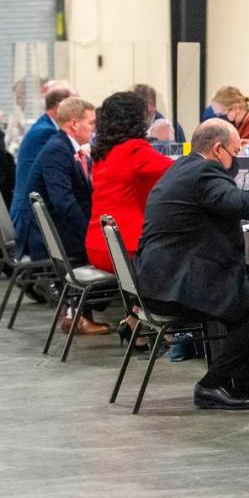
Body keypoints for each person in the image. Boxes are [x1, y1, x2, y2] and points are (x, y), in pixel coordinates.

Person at [135, 119, 249, 410]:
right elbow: (239, 204)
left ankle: (243, 380)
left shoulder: (184, 167)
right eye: (236, 150)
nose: (239, 158)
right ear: (218, 150)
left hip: (163, 276)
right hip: (176, 285)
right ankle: (212, 384)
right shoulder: (206, 172)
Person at [12, 97, 111, 335]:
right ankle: (78, 314)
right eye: (91, 123)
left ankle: (77, 312)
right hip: (51, 239)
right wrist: (89, 232)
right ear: (74, 124)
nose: (94, 129)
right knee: (113, 250)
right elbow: (63, 202)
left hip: (56, 232)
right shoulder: (57, 150)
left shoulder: (64, 147)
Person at [84, 92, 174, 347]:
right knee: (182, 256)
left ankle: (134, 321)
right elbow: (178, 170)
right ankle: (160, 326)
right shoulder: (135, 150)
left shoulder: (103, 150)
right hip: (126, 250)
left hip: (99, 243)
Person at [10, 87, 74, 224]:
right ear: (59, 106)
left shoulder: (45, 125)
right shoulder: (47, 132)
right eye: (74, 105)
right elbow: (57, 174)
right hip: (30, 217)